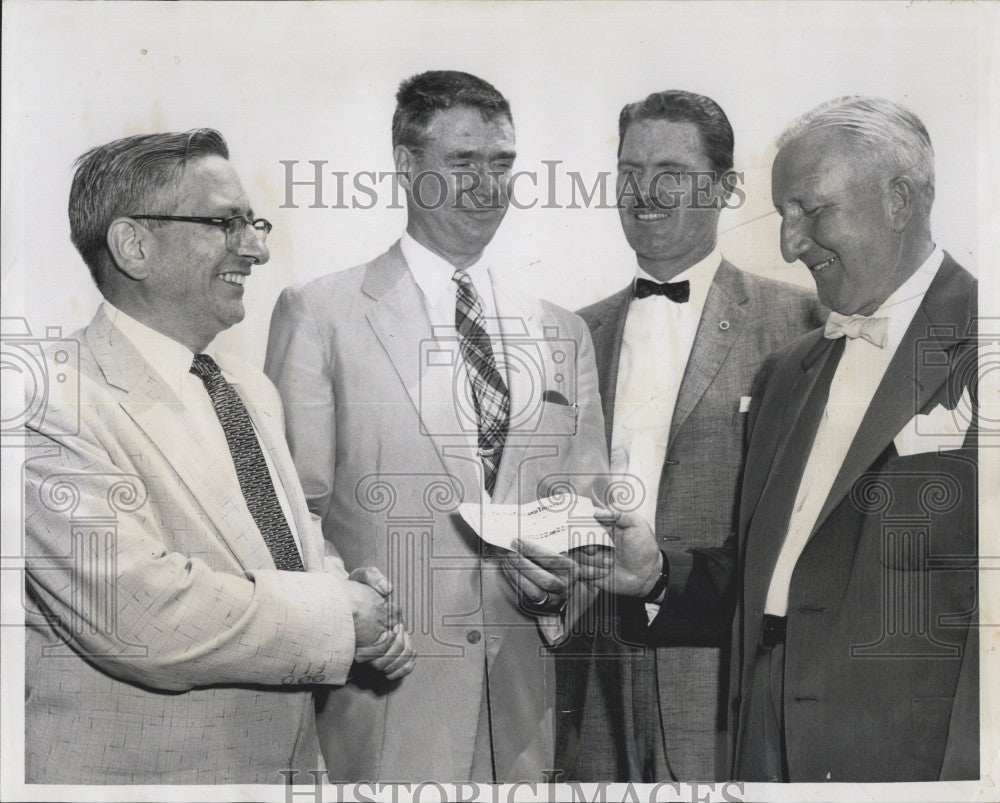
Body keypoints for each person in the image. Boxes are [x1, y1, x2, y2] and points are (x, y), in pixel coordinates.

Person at [23, 129, 414, 784]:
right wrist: (339, 615)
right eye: (225, 224)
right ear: (134, 245)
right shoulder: (42, 402)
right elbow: (141, 613)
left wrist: (350, 590)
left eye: (252, 223)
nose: (258, 248)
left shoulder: (247, 390)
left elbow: (282, 543)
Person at [606, 96, 979, 782]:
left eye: (812, 211)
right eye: (783, 215)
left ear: (898, 199)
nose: (789, 243)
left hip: (910, 768)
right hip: (762, 747)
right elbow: (763, 576)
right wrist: (656, 572)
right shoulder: (788, 371)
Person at [264, 70, 609, 782]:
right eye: (462, 163)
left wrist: (558, 587)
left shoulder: (563, 332)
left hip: (522, 717)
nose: (488, 186)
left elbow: (587, 516)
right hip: (383, 704)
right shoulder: (320, 314)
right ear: (405, 166)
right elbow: (293, 519)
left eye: (502, 164)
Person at [557, 90, 825, 782]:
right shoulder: (571, 333)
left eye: (671, 172)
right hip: (592, 683)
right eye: (629, 170)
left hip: (722, 683)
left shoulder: (802, 322)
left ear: (725, 186)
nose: (644, 192)